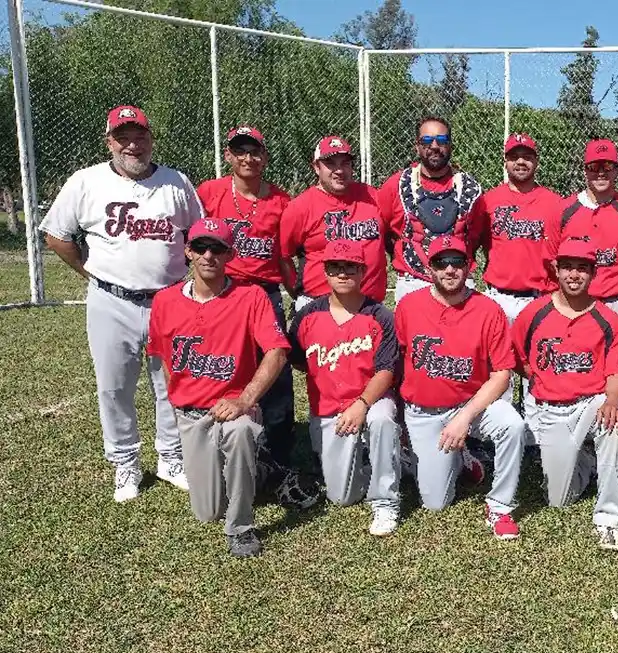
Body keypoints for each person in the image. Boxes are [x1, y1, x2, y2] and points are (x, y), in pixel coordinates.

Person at [41, 104, 202, 502]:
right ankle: (126, 464)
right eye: (123, 136)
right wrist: (90, 272)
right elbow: (57, 235)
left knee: (171, 383)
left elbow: (197, 233)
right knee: (114, 387)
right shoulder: (86, 181)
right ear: (109, 141)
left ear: (151, 138)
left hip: (168, 299)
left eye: (140, 135)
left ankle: (171, 457)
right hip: (111, 299)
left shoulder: (175, 182)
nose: (133, 144)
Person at [146, 218, 290, 558]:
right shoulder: (165, 301)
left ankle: (241, 528)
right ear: (188, 252)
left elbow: (277, 352)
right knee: (208, 511)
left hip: (232, 409)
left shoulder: (250, 296)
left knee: (240, 433)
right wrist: (182, 404)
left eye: (218, 248)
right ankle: (263, 470)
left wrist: (245, 399)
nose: (209, 255)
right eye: (201, 247)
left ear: (230, 254)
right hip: (191, 415)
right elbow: (163, 359)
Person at [196, 125, 313, 507]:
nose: (248, 158)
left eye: (255, 151)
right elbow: (196, 243)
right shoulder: (210, 193)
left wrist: (295, 290)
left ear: (265, 156)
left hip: (264, 292)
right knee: (222, 366)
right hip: (223, 292)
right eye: (239, 151)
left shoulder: (281, 200)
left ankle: (277, 459)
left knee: (275, 374)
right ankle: (217, 451)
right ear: (228, 155)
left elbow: (285, 254)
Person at [394, 236, 526, 540]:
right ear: (430, 267)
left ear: (470, 266)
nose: (450, 269)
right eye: (442, 262)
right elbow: (398, 365)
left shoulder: (488, 309)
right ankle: (459, 458)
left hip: (472, 406)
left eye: (458, 262)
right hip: (424, 411)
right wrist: (401, 420)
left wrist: (464, 418)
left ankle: (500, 506)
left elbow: (502, 373)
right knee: (435, 503)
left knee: (513, 424)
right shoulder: (409, 306)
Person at [512, 239, 618, 549]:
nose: (574, 274)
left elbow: (615, 372)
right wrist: (544, 379)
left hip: (592, 402)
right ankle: (588, 463)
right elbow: (521, 360)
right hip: (551, 408)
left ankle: (609, 517)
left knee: (614, 426)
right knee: (559, 499)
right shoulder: (533, 314)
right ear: (556, 270)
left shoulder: (607, 319)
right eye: (567, 267)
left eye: (582, 268)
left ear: (593, 274)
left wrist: (613, 402)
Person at [288, 240, 402, 536]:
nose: (342, 273)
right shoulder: (307, 315)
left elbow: (386, 371)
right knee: (342, 497)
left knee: (381, 419)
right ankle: (385, 460)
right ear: (324, 271)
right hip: (327, 409)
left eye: (350, 266)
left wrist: (362, 403)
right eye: (335, 267)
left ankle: (385, 500)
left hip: (371, 400)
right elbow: (297, 359)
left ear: (362, 271)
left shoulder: (379, 316)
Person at [379, 116, 487, 304]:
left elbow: (476, 236)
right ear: (417, 146)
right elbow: (384, 232)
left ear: (450, 145)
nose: (434, 146)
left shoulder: (470, 189)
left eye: (442, 140)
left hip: (458, 281)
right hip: (414, 281)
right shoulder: (396, 185)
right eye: (427, 140)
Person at [279, 136, 386, 312]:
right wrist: (299, 295)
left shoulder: (372, 196)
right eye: (330, 163)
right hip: (320, 305)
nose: (339, 170)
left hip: (369, 306)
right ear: (316, 167)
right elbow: (283, 257)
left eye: (345, 163)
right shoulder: (300, 207)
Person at [548, 139, 618, 326]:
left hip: (616, 302)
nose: (601, 173)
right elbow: (552, 258)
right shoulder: (563, 210)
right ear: (585, 170)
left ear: (617, 170)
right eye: (594, 166)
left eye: (608, 166)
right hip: (575, 302)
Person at [479, 133, 562, 322]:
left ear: (536, 162)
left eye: (527, 157)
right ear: (505, 161)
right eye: (514, 157)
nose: (521, 162)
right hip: (497, 296)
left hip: (538, 297)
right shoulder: (488, 200)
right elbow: (483, 244)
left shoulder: (555, 203)